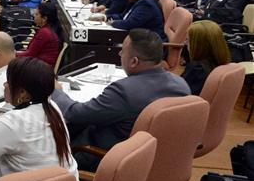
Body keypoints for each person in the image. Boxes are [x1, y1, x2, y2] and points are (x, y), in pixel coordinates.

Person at [52, 29, 190, 170]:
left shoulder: (124, 91)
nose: (119, 54)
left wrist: (56, 91)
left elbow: (74, 113)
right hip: (158, 161)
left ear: (134, 61)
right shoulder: (182, 86)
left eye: (122, 50)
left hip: (106, 158)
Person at [0, 57, 84, 181]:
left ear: (23, 93)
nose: (4, 85)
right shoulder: (52, 106)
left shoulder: (14, 122)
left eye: (8, 81)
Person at [181, 20, 232, 95]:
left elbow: (180, 92)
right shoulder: (221, 62)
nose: (184, 43)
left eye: (188, 40)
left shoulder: (197, 69)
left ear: (199, 45)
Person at [16, 2, 63, 66]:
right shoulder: (48, 30)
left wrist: (13, 54)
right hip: (39, 65)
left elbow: (30, 54)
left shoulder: (45, 33)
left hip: (39, 69)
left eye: (37, 14)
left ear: (44, 19)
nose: (34, 16)